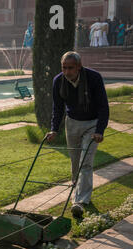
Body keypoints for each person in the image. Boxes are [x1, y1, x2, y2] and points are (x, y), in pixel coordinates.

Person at [46, 51, 109, 219]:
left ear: (79, 67)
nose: (67, 72)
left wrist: (100, 130)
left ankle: (80, 202)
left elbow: (103, 106)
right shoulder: (58, 81)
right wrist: (54, 129)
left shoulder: (94, 78)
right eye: (64, 68)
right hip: (72, 122)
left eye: (70, 68)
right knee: (75, 161)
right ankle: (77, 189)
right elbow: (57, 108)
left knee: (85, 162)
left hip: (92, 124)